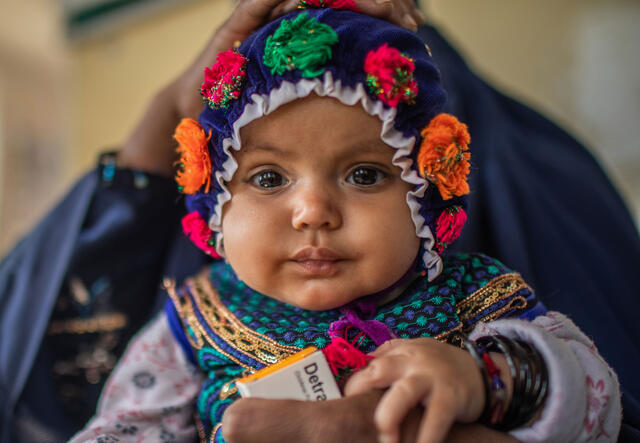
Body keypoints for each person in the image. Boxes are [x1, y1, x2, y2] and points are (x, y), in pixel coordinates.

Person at [2, 1, 639, 442]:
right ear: (215, 205)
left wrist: (485, 382)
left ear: (428, 194)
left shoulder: (476, 298)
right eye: (268, 178)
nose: (312, 212)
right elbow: (118, 424)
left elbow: (599, 396)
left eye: (364, 175)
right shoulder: (199, 320)